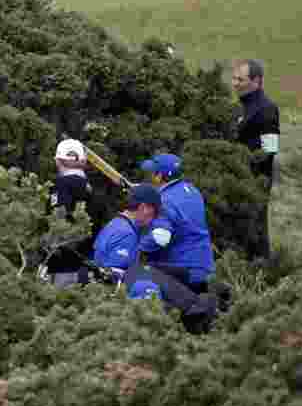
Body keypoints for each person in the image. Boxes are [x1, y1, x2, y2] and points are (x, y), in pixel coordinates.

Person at [136, 154, 215, 294]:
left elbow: (162, 237)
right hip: (204, 266)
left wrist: (138, 249)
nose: (149, 176)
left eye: (151, 173)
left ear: (159, 176)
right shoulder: (192, 190)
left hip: (181, 269)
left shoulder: (164, 200)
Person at [232, 58, 280, 259]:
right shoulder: (241, 106)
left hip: (256, 179)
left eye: (240, 80)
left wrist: (248, 171)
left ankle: (262, 268)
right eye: (234, 78)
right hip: (238, 176)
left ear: (256, 81)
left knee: (256, 228)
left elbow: (270, 150)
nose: (235, 84)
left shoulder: (267, 109)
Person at [45, 138, 94, 287]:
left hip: (62, 266)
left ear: (59, 161)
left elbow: (58, 222)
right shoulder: (91, 189)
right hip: (87, 266)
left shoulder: (60, 186)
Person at [91, 184, 162, 279]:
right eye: (155, 211)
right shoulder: (127, 234)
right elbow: (112, 276)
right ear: (143, 208)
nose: (154, 218)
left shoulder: (116, 223)